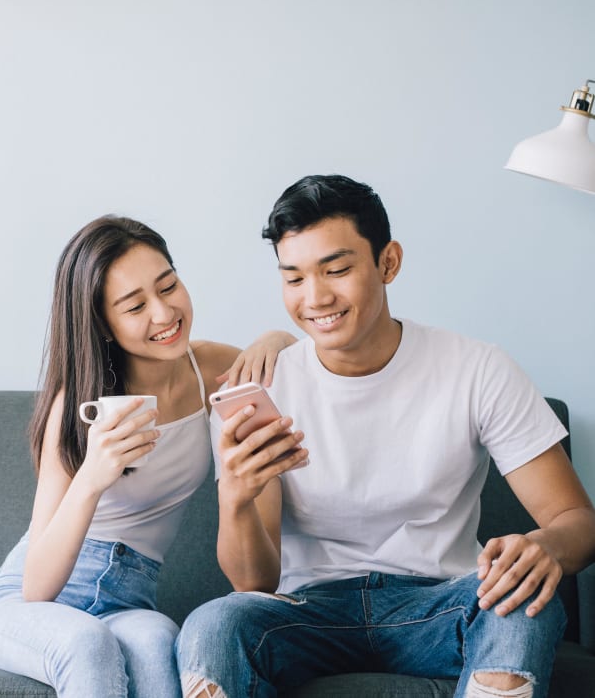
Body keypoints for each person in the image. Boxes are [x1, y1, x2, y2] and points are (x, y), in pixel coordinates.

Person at [176, 174, 595, 698]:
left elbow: (578, 523)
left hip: (442, 604)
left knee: (524, 603)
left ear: (388, 263)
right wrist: (236, 497)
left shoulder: (477, 369)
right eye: (294, 278)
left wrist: (542, 547)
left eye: (337, 269)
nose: (316, 297)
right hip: (308, 613)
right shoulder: (263, 387)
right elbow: (253, 585)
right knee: (215, 624)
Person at [0, 215, 295, 698]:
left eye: (169, 286)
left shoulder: (212, 369)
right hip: (24, 604)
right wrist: (93, 476)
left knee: (160, 640)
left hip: (128, 599)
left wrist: (272, 339)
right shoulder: (77, 403)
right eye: (135, 305)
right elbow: (37, 587)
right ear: (103, 322)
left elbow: (288, 352)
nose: (164, 314)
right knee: (86, 644)